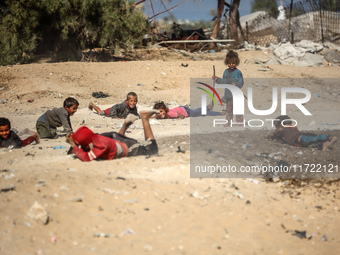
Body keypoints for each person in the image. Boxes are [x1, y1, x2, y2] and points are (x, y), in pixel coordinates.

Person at [66, 110, 159, 162]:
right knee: (116, 139)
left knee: (152, 149)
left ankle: (145, 118)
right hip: (114, 139)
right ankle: (125, 125)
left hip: (129, 146)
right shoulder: (95, 138)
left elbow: (86, 157)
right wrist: (72, 141)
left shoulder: (100, 145)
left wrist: (74, 145)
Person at [266, 115, 337, 151]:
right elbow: (282, 139)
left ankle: (331, 137)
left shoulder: (283, 129)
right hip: (303, 139)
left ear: (280, 125)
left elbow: (274, 135)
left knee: (316, 138)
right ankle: (325, 144)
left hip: (303, 138)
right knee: (314, 144)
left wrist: (266, 137)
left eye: (277, 127)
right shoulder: (289, 130)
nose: (276, 129)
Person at [212, 50, 244, 126]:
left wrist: (236, 84)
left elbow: (241, 82)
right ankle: (228, 122)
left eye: (233, 63)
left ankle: (239, 123)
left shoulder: (238, 72)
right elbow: (223, 81)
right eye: (229, 63)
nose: (231, 65)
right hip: (228, 94)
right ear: (227, 63)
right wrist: (217, 79)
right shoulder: (226, 72)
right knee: (229, 110)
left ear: (236, 63)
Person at [153, 101, 222, 119]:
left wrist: (178, 118)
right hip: (181, 108)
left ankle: (220, 113)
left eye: (161, 111)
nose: (160, 114)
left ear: (165, 110)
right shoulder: (159, 115)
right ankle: (207, 107)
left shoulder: (170, 114)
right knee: (196, 111)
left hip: (186, 111)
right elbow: (155, 116)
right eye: (158, 113)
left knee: (201, 113)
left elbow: (181, 116)